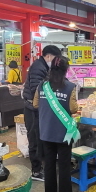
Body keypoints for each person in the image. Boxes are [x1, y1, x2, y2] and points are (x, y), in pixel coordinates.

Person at [33, 56, 79, 192]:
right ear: (66, 70)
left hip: (46, 132)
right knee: (64, 165)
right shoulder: (70, 87)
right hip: (63, 133)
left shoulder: (42, 86)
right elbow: (73, 109)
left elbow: (35, 104)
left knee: (49, 165)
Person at [22, 45, 61, 181]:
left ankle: (41, 166)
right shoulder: (38, 67)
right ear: (49, 56)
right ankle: (36, 171)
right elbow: (37, 88)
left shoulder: (44, 66)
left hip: (39, 108)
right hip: (32, 109)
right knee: (34, 139)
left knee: (41, 138)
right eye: (56, 59)